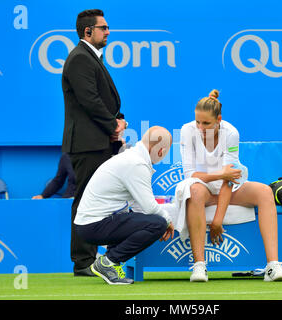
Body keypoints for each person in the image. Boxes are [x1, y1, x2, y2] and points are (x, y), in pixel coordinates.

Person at [180, 89, 282, 282]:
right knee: (194, 190)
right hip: (202, 185)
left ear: (219, 119)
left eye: (206, 123)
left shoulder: (231, 133)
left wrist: (217, 221)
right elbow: (190, 174)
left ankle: (273, 266)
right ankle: (199, 266)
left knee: (265, 192)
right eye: (197, 121)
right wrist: (221, 173)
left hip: (227, 186)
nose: (200, 127)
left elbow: (229, 180)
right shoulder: (187, 131)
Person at [61, 9, 128, 276]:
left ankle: (94, 259)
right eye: (104, 28)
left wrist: (119, 120)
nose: (108, 32)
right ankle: (83, 261)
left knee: (100, 199)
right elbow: (90, 100)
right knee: (85, 200)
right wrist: (113, 125)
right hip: (88, 144)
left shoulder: (91, 58)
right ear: (88, 32)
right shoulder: (79, 58)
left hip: (99, 141)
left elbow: (105, 100)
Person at [74, 126, 175, 285]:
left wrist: (156, 220)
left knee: (151, 220)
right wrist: (167, 221)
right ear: (161, 151)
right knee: (158, 223)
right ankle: (108, 262)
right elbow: (149, 207)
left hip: (89, 224)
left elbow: (138, 205)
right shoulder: (137, 164)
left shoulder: (132, 158)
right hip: (94, 225)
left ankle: (109, 263)